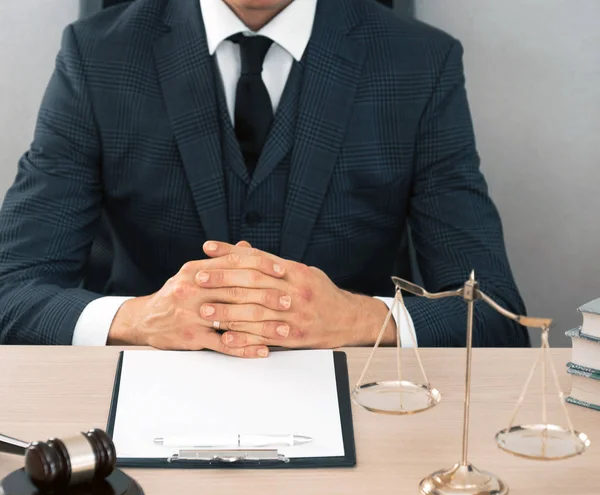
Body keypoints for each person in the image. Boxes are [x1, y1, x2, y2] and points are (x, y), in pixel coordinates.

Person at [0, 0, 529, 355]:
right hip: (140, 387)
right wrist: (142, 318)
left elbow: (495, 312)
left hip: (353, 390)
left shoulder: (421, 62)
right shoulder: (96, 55)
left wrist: (364, 320)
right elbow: (11, 291)